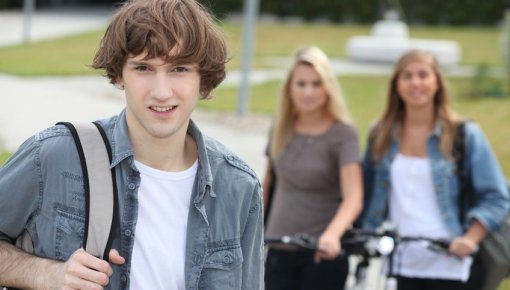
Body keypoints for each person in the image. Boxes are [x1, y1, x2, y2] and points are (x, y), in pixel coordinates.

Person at [0, 0, 264, 289]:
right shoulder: (53, 156)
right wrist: (45, 274)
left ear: (203, 79)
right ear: (119, 74)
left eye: (179, 69)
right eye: (143, 68)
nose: (161, 92)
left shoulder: (239, 186)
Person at [359, 49, 509, 290]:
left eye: (423, 75)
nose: (415, 82)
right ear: (396, 84)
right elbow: (363, 191)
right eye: (407, 76)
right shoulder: (381, 134)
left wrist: (470, 239)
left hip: (452, 263)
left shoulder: (464, 134)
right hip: (402, 262)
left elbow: (497, 197)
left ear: (437, 82)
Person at [263, 46, 363, 290]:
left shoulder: (343, 134)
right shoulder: (281, 128)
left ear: (328, 87)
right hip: (278, 248)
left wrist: (332, 235)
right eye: (301, 84)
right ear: (289, 88)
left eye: (316, 84)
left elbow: (354, 196)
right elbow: (267, 184)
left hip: (321, 253)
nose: (308, 91)